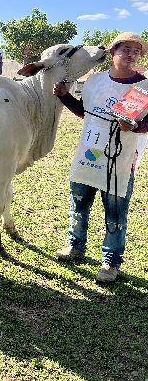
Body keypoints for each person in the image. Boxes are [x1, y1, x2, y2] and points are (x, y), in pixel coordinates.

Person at [54, 32, 148, 283]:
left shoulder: (143, 86)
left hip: (121, 157)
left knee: (115, 212)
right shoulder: (95, 81)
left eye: (136, 51)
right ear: (113, 52)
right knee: (79, 203)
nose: (131, 54)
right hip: (89, 153)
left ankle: (111, 262)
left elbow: (147, 122)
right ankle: (75, 246)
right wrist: (65, 96)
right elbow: (86, 113)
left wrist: (136, 128)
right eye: (125, 49)